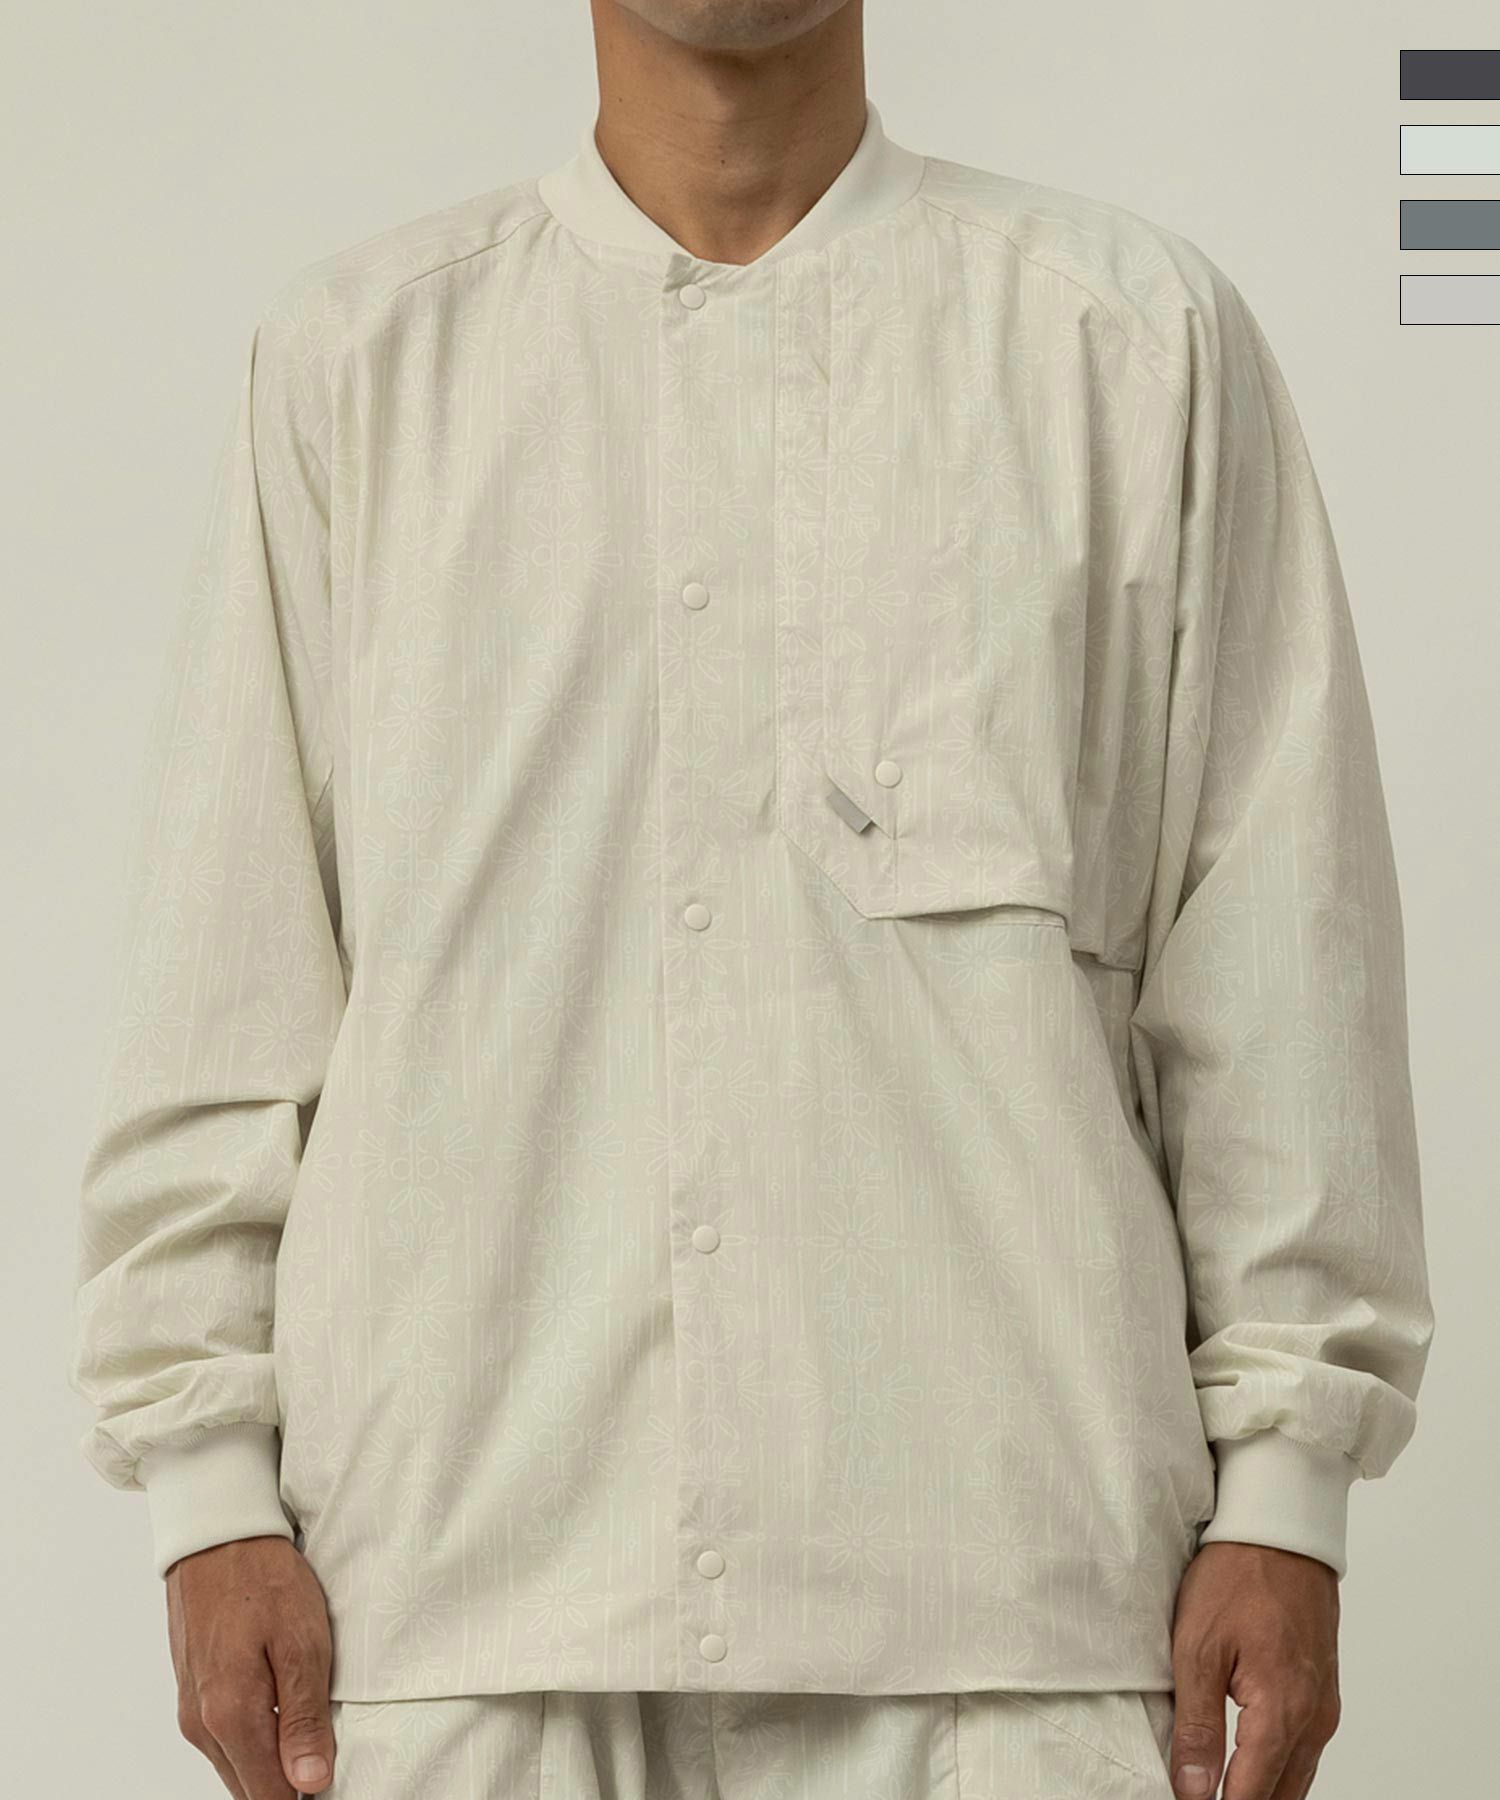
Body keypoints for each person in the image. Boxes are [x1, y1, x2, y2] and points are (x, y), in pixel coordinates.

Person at [68, 2, 1435, 1796]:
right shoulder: (359, 366)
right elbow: (226, 975)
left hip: (1006, 1608)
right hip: (460, 1599)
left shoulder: (1125, 344)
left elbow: (1276, 951)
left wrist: (1288, 1491)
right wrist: (205, 1490)